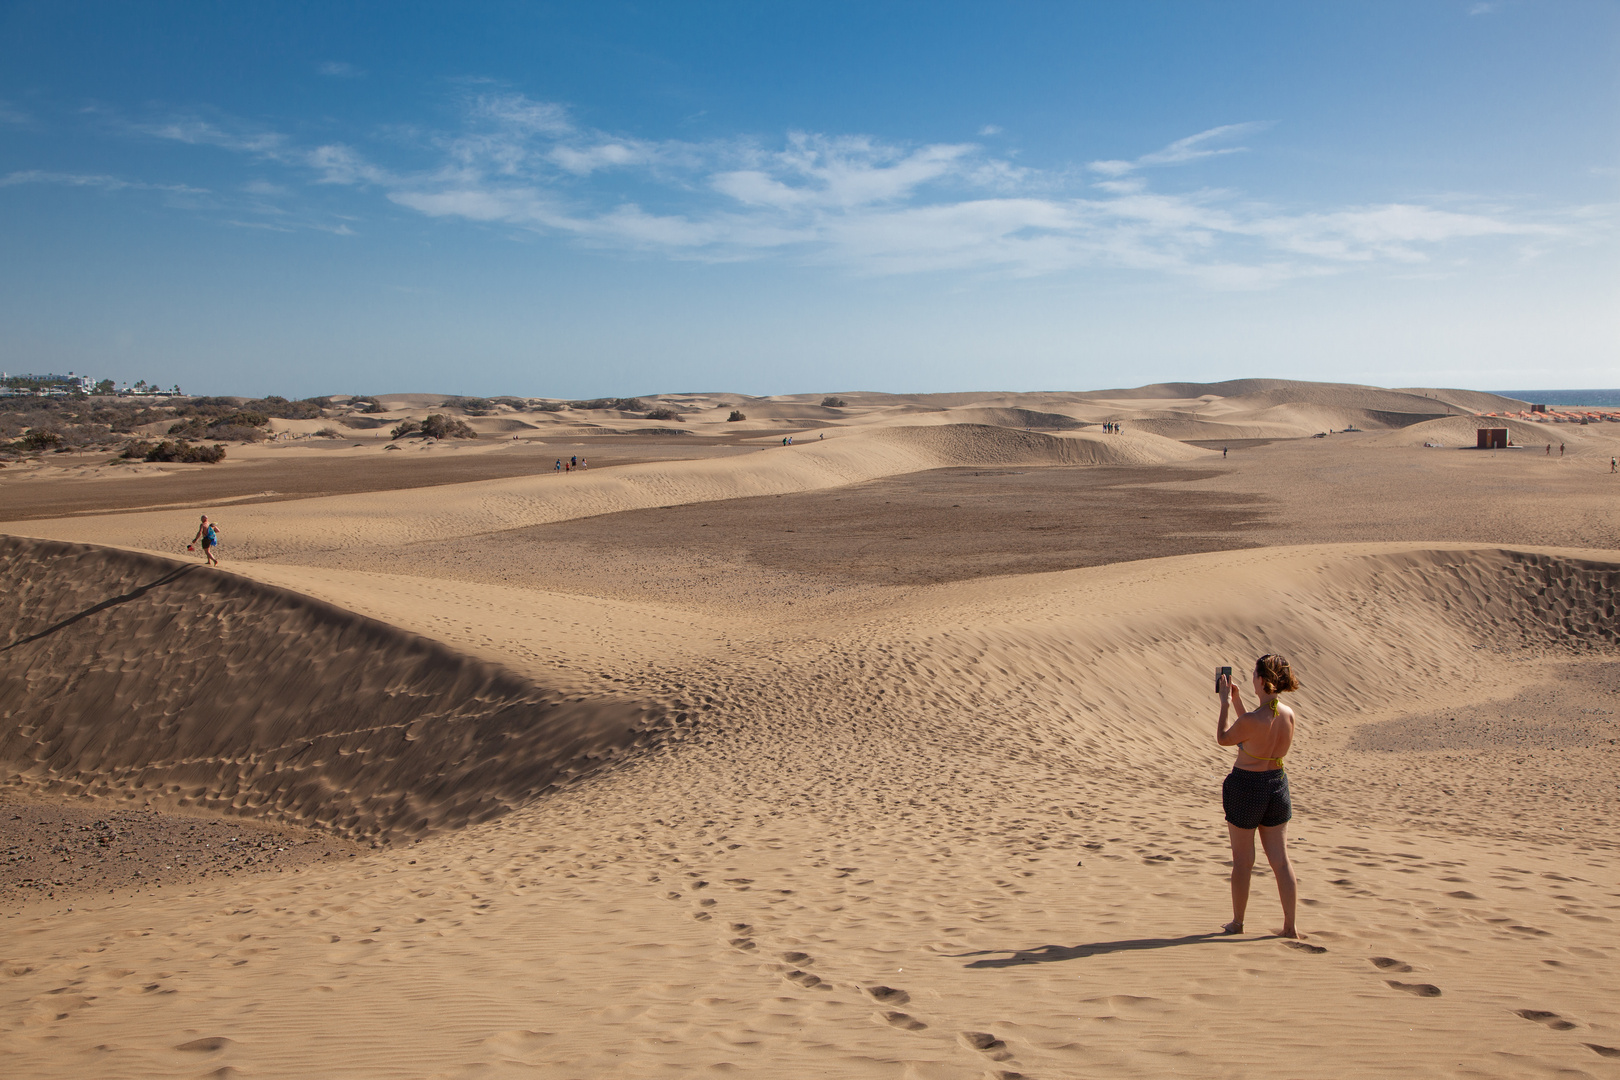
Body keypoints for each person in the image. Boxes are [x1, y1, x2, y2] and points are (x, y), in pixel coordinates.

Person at [1215, 654, 1303, 938]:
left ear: (1262, 680)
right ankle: (1290, 926)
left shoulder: (1254, 719)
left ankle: (1238, 923)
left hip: (1246, 788)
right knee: (1281, 860)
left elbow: (1225, 737)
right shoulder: (1287, 714)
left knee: (1243, 860)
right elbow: (1255, 729)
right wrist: (1239, 702)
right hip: (1276, 785)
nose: (1252, 678)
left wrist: (1225, 705)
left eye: (1254, 674)